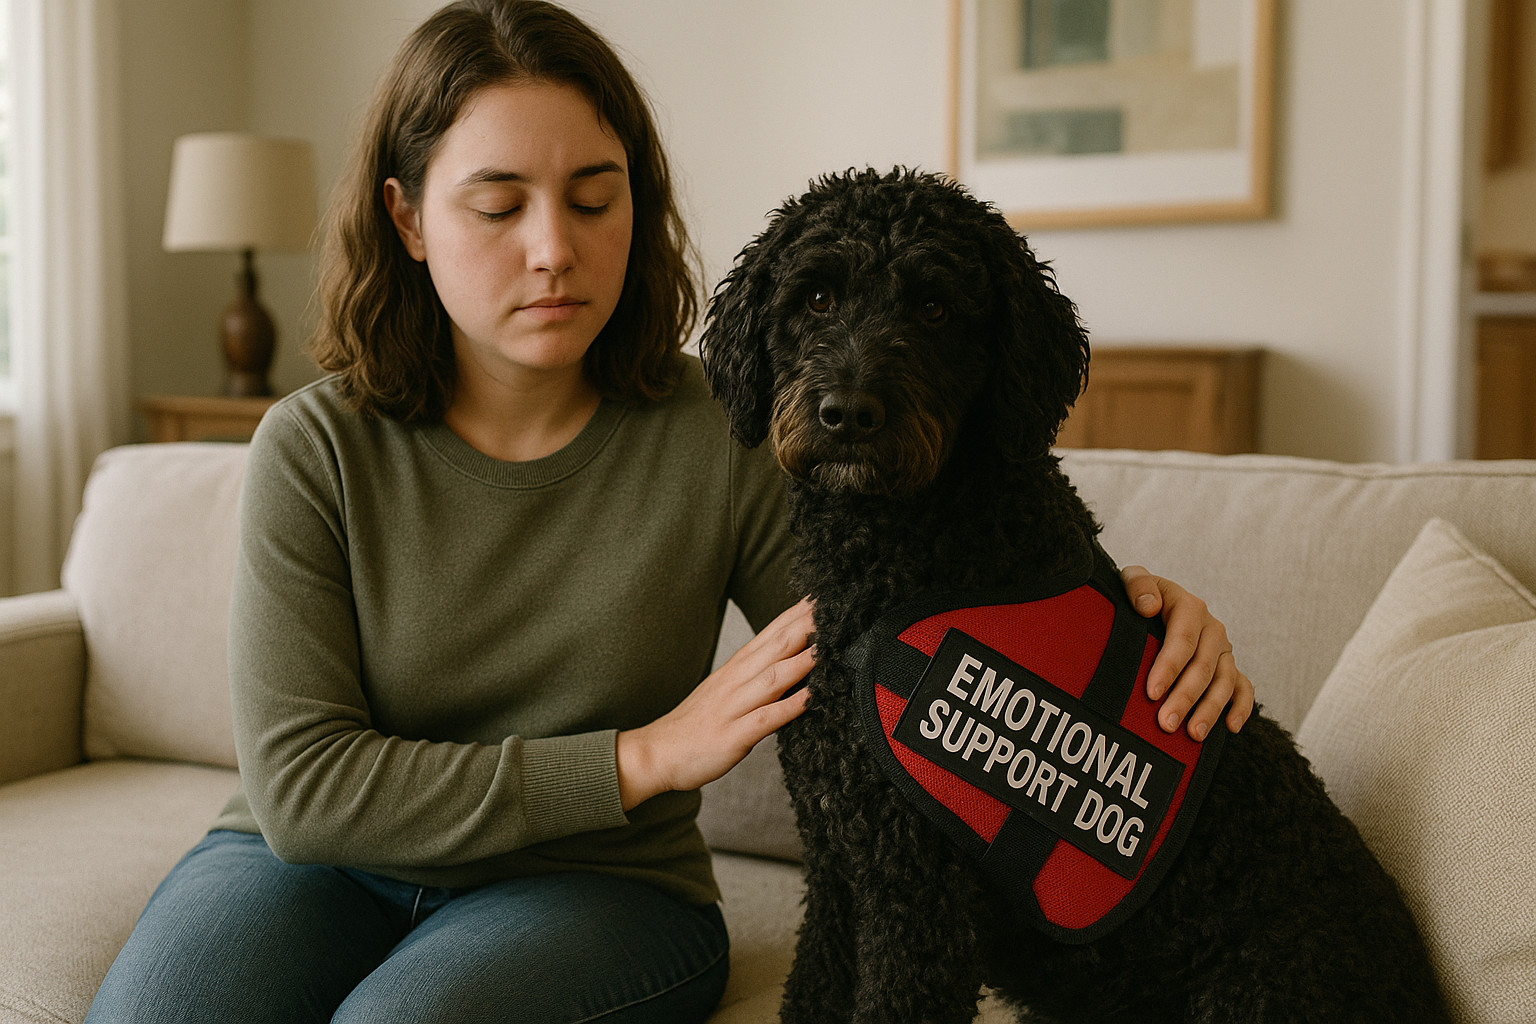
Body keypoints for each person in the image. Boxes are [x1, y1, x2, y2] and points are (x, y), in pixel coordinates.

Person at [85, 2, 1254, 1021]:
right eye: (499, 206)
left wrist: (1131, 627)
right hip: (313, 864)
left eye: (596, 199)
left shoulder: (731, 428)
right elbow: (305, 791)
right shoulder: (315, 446)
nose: (556, 250)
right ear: (406, 219)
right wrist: (644, 754)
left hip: (604, 888)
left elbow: (912, 641)